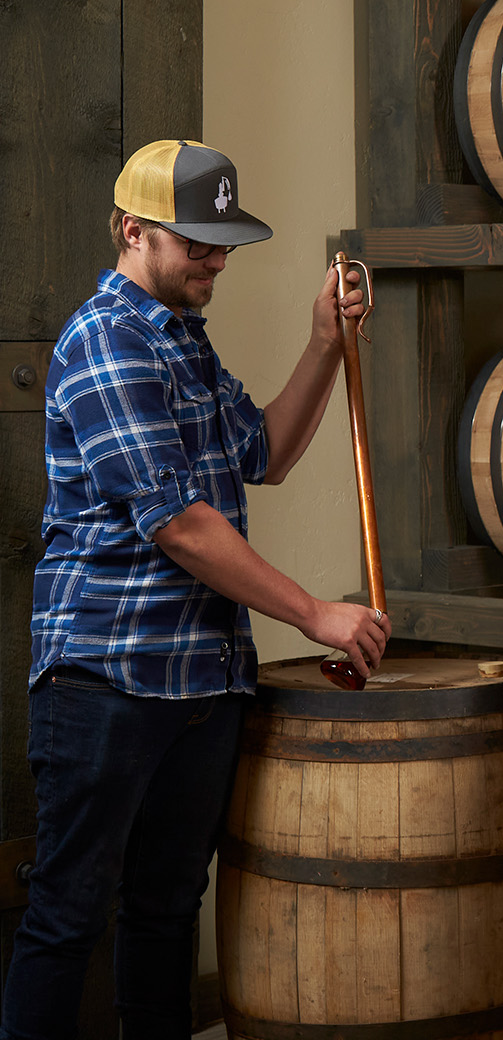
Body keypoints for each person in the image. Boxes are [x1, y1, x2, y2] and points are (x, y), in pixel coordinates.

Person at [4, 139, 391, 1039]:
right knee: (66, 919)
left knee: (167, 914)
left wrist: (325, 346)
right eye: (199, 243)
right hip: (107, 680)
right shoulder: (105, 341)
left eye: (225, 243)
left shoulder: (185, 342)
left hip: (202, 682)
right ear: (135, 231)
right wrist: (315, 614)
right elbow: (178, 522)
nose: (217, 260)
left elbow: (269, 454)